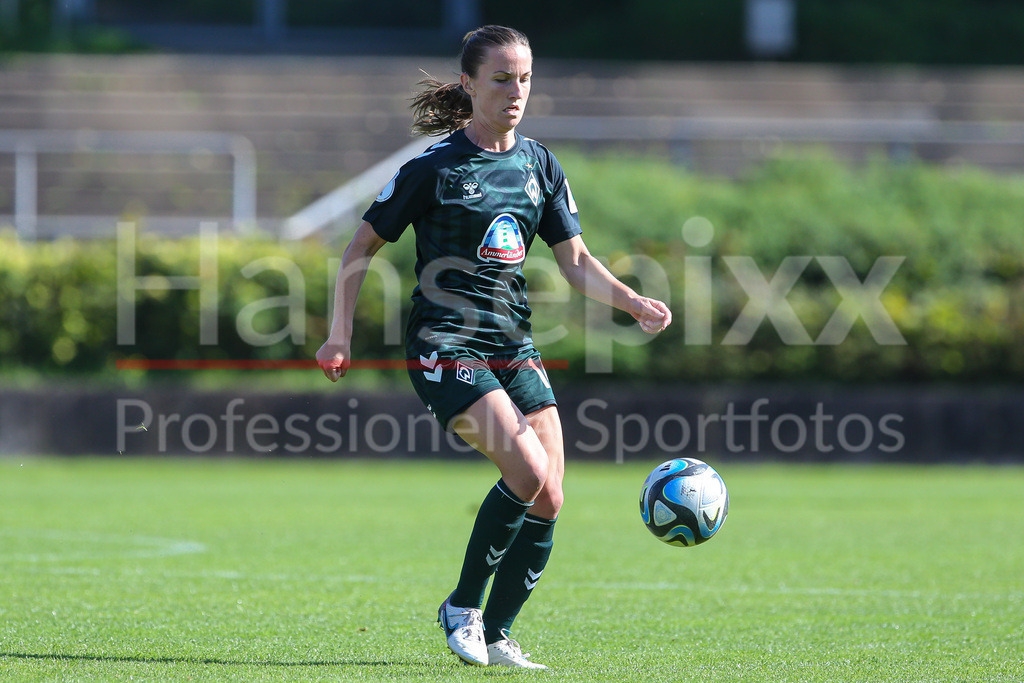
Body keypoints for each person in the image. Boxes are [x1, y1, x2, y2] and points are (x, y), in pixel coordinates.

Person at [316, 25, 671, 669]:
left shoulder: (539, 164)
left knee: (551, 494)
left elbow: (577, 261)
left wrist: (634, 302)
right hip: (444, 344)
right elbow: (358, 248)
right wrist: (339, 331)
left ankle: (500, 633)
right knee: (526, 472)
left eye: (525, 78)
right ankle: (462, 607)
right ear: (470, 85)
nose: (515, 92)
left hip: (514, 346)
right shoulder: (432, 169)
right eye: (502, 79)